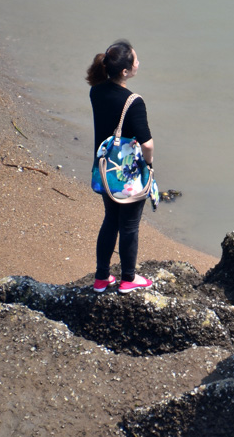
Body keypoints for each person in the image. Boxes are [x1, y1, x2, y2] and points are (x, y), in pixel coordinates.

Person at [86, 39, 154, 294]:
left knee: (110, 220)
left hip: (105, 171)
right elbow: (147, 144)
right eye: (136, 60)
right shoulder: (133, 102)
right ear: (125, 71)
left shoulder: (96, 91)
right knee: (129, 225)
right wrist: (148, 165)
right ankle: (128, 279)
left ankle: (102, 277)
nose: (139, 63)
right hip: (127, 175)